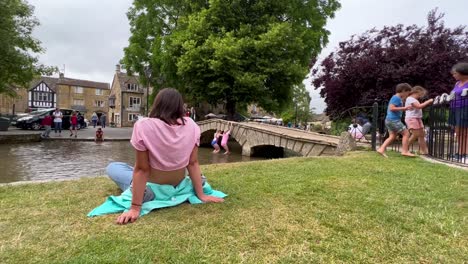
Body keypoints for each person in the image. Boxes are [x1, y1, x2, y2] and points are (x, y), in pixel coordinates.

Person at [100, 88, 224, 224]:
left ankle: (143, 191)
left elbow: (142, 169)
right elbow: (192, 163)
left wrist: (135, 207)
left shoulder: (144, 125)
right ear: (179, 106)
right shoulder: (192, 126)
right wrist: (201, 195)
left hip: (152, 189)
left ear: (157, 104)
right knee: (130, 168)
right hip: (179, 186)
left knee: (114, 166)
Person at [377, 83, 414, 158]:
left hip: (389, 120)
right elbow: (392, 108)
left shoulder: (397, 98)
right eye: (407, 93)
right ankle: (405, 151)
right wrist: (405, 108)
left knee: (392, 136)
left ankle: (381, 149)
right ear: (403, 91)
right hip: (394, 120)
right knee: (406, 134)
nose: (407, 95)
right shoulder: (396, 98)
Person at [405, 86, 433, 155]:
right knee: (415, 134)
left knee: (421, 135)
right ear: (416, 92)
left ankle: (424, 151)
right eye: (420, 94)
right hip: (412, 118)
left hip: (417, 118)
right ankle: (405, 148)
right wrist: (428, 101)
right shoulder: (410, 99)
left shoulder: (414, 99)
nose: (420, 96)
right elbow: (419, 106)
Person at [448, 62, 468, 160]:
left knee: (465, 131)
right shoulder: (457, 83)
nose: (453, 75)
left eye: (455, 73)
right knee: (458, 131)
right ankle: (460, 152)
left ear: (462, 73)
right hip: (455, 108)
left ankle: (466, 153)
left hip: (464, 108)